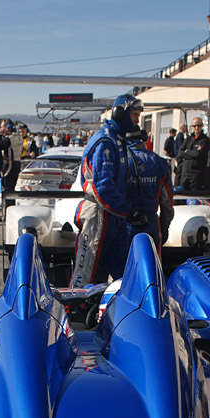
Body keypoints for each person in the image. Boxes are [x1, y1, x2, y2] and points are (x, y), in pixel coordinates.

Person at [69, 95, 148, 286]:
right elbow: (103, 188)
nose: (137, 120)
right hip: (99, 214)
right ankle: (77, 312)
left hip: (114, 216)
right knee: (85, 275)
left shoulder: (118, 141)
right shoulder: (105, 142)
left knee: (124, 275)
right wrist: (130, 212)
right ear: (120, 114)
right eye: (134, 115)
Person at [125, 136, 174, 256]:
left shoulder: (119, 161)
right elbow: (167, 201)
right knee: (153, 268)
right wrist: (164, 227)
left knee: (125, 269)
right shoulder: (159, 162)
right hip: (150, 224)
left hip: (125, 224)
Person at [176, 117, 210, 192]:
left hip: (196, 175)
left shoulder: (205, 140)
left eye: (198, 126)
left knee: (194, 199)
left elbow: (198, 154)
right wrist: (192, 153)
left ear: (202, 126)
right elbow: (180, 152)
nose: (196, 128)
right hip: (185, 173)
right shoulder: (188, 139)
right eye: (194, 126)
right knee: (182, 197)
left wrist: (187, 151)